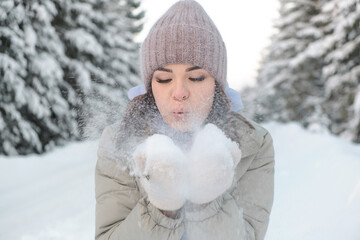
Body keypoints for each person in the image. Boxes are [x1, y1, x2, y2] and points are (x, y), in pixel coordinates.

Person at [95, 0, 275, 239]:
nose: (179, 92)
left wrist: (206, 200)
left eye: (197, 77)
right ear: (150, 87)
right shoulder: (119, 142)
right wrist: (163, 208)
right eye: (163, 79)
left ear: (217, 84)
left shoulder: (253, 144)